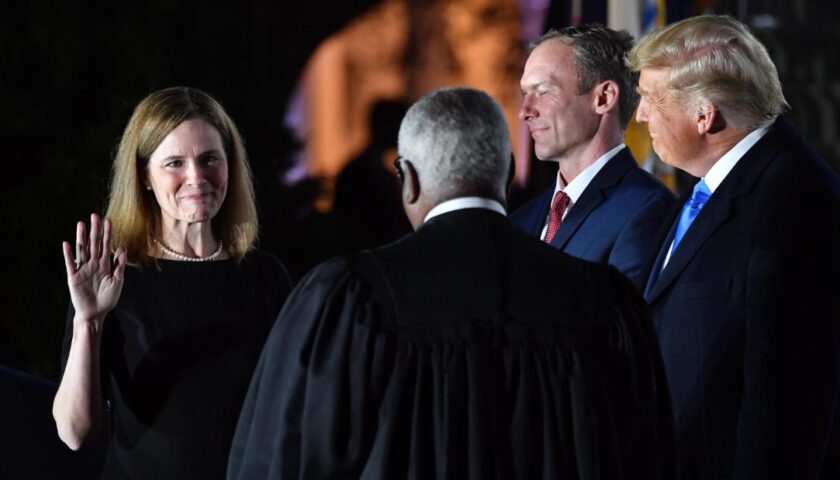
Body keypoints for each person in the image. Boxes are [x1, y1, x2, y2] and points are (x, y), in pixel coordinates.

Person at [227, 87, 676, 479]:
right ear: (506, 171)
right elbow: (648, 459)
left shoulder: (351, 299)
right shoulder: (602, 300)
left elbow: (283, 459)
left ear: (407, 180)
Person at [628, 15, 840, 479]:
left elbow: (786, 398)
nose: (640, 115)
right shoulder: (713, 186)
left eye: (649, 99)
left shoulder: (794, 202)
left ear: (705, 114)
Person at [52, 87, 293, 479]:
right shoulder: (113, 279)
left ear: (229, 165)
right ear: (145, 176)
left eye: (210, 158)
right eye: (175, 163)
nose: (196, 177)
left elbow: (293, 409)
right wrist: (88, 322)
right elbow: (75, 433)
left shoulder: (264, 277)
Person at [511, 24, 675, 291]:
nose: (525, 111)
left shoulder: (648, 210)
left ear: (603, 98)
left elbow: (625, 328)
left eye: (542, 91)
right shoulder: (522, 220)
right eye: (524, 94)